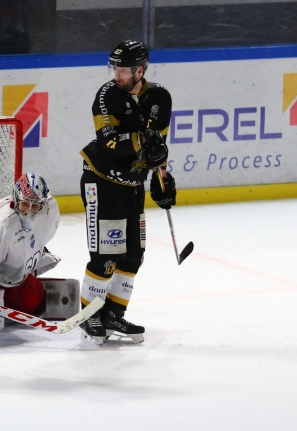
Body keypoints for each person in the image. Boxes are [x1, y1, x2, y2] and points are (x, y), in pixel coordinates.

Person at [77, 39, 176, 345]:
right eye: (114, 68)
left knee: (133, 255)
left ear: (139, 70)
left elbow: (158, 148)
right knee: (107, 255)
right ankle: (89, 315)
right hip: (101, 182)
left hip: (133, 186)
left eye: (122, 69)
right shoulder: (107, 96)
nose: (116, 74)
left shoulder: (159, 97)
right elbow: (110, 144)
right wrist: (143, 142)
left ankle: (112, 314)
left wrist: (162, 180)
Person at [0, 172, 60, 316]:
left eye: (35, 205)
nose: (29, 211)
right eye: (24, 204)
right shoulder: (1, 225)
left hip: (10, 272)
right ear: (16, 198)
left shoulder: (50, 208)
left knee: (39, 304)